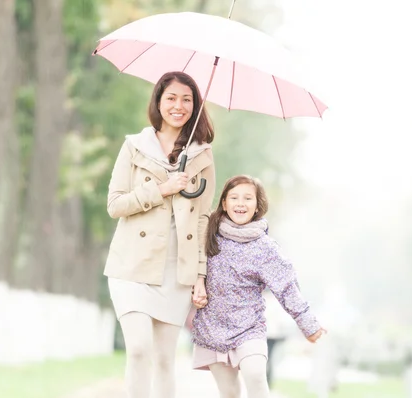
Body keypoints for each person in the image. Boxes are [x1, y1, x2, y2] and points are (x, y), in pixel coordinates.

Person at [103, 71, 215, 398]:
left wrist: (199, 275)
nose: (178, 106)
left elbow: (202, 220)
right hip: (132, 266)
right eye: (171, 98)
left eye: (186, 99)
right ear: (158, 101)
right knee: (139, 350)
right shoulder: (134, 146)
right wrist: (163, 189)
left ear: (195, 106)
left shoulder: (202, 156)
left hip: (174, 271)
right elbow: (115, 204)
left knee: (165, 359)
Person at [191, 175, 326, 398]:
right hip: (212, 327)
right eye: (234, 197)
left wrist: (308, 325)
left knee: (255, 375)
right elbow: (191, 267)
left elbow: (286, 287)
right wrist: (195, 288)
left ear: (257, 205)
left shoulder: (265, 247)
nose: (240, 203)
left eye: (247, 198)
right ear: (224, 203)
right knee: (229, 393)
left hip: (249, 328)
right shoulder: (209, 236)